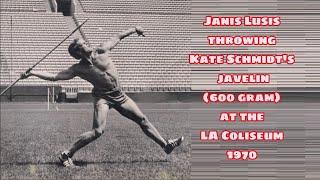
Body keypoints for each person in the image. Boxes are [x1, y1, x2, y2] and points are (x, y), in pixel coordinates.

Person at [21, 26, 184, 167]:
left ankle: (166, 145)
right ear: (78, 52)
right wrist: (32, 73)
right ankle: (66, 154)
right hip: (103, 99)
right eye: (83, 44)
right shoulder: (78, 69)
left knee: (142, 119)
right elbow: (54, 76)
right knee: (98, 131)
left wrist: (135, 29)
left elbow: (118, 36)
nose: (87, 43)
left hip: (120, 96)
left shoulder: (102, 50)